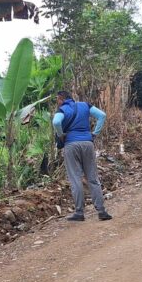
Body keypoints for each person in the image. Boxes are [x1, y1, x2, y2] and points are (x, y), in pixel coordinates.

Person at [52, 91, 112, 222]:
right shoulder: (85, 105)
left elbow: (56, 122)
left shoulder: (62, 110)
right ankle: (101, 211)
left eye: (57, 99)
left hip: (71, 145)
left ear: (61, 99)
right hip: (87, 143)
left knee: (75, 179)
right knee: (93, 178)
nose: (57, 102)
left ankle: (79, 212)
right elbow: (102, 115)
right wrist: (95, 133)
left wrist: (61, 134)